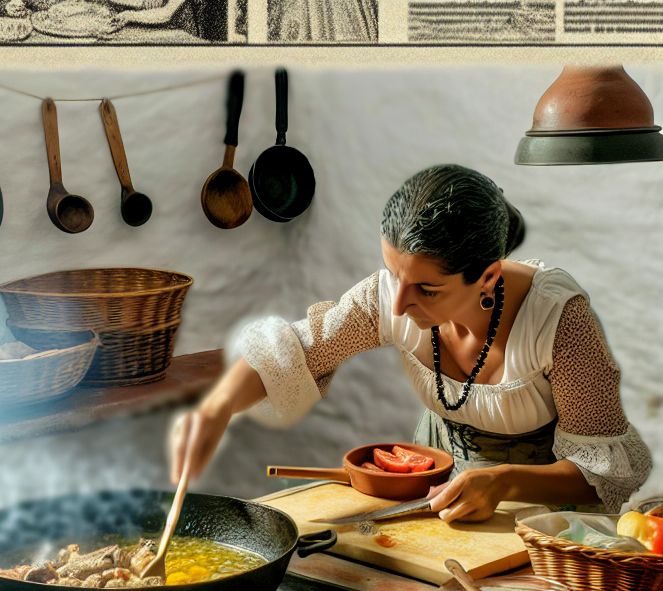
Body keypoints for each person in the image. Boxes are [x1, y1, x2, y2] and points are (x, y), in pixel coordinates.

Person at [170, 163, 651, 525]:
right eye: (393, 273)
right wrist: (216, 408)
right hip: (435, 504)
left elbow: (601, 474)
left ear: (488, 277)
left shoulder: (558, 321)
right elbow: (295, 350)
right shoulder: (391, 296)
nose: (398, 304)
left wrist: (502, 481)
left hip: (543, 525)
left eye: (427, 289)